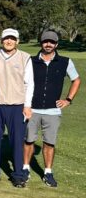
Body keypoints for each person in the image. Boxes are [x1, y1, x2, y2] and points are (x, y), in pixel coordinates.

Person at [23, 30, 80, 188]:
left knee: (49, 143)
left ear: (56, 44)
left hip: (52, 111)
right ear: (41, 43)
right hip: (31, 109)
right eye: (45, 41)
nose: (48, 44)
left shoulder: (65, 62)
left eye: (52, 42)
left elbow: (76, 80)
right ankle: (25, 168)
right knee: (28, 140)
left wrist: (68, 99)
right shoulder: (30, 61)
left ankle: (48, 172)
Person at [0, 28, 33, 186]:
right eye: (6, 38)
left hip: (17, 105)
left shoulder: (25, 57)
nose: (9, 41)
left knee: (17, 142)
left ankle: (18, 175)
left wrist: (27, 105)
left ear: (17, 41)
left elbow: (29, 84)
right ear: (1, 40)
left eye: (12, 39)